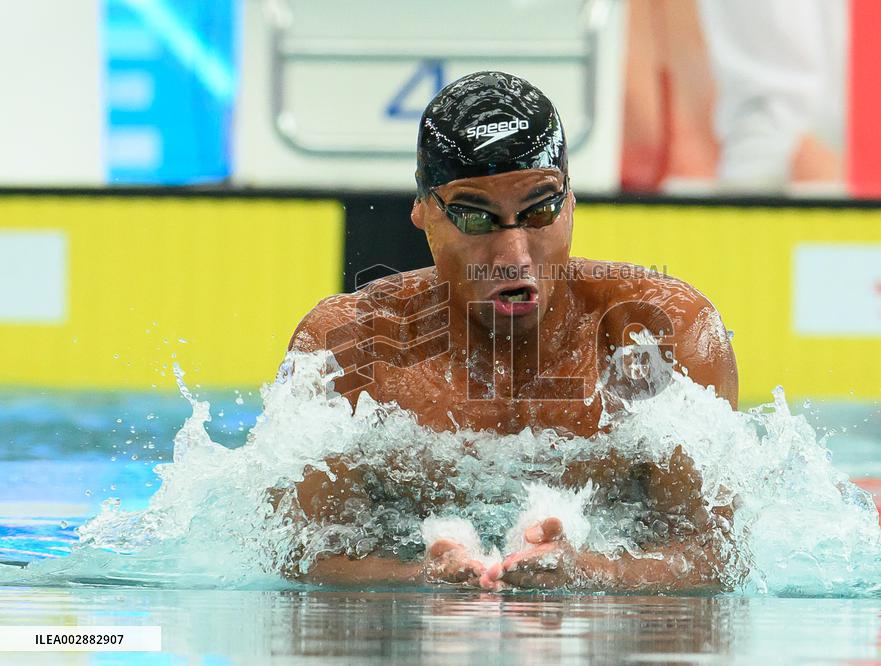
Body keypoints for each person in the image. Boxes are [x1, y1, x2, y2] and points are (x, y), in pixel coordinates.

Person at [286, 71, 738, 591]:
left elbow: (716, 557)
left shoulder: (659, 338)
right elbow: (299, 556)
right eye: (476, 218)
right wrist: (417, 580)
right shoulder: (348, 346)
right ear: (422, 211)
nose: (514, 256)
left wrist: (597, 574)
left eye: (540, 209)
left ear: (570, 201)